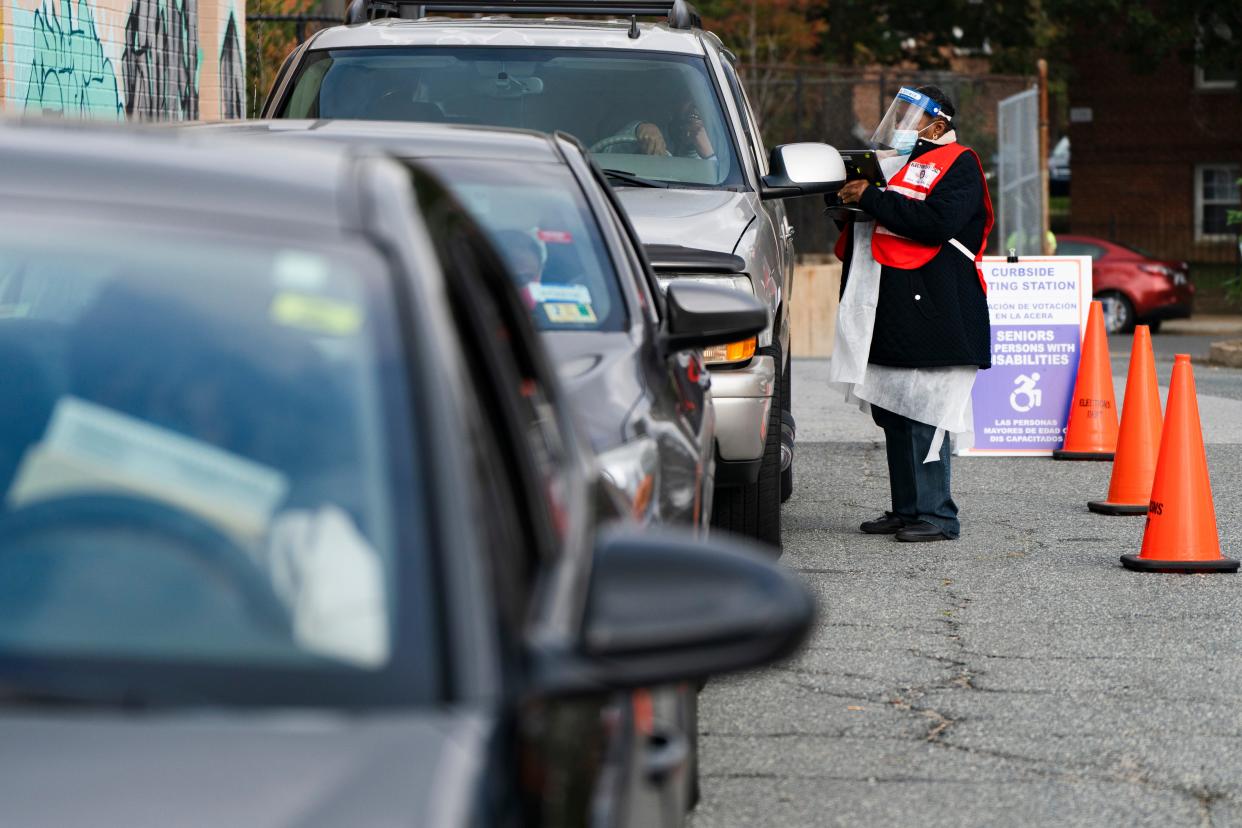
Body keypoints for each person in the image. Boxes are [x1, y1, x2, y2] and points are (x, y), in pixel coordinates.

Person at [830, 85, 994, 542]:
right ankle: (907, 509)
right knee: (894, 412)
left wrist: (873, 198)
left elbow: (936, 222)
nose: (899, 125)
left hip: (937, 308)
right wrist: (851, 202)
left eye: (909, 117)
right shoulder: (897, 165)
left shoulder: (959, 162)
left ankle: (937, 516)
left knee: (925, 412)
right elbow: (887, 217)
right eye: (896, 114)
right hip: (891, 304)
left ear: (938, 126)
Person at [601, 99, 716, 159]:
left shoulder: (722, 146)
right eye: (689, 97)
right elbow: (605, 157)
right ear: (672, 108)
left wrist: (709, 155)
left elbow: (722, 187)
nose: (695, 107)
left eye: (700, 98)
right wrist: (638, 129)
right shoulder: (647, 133)